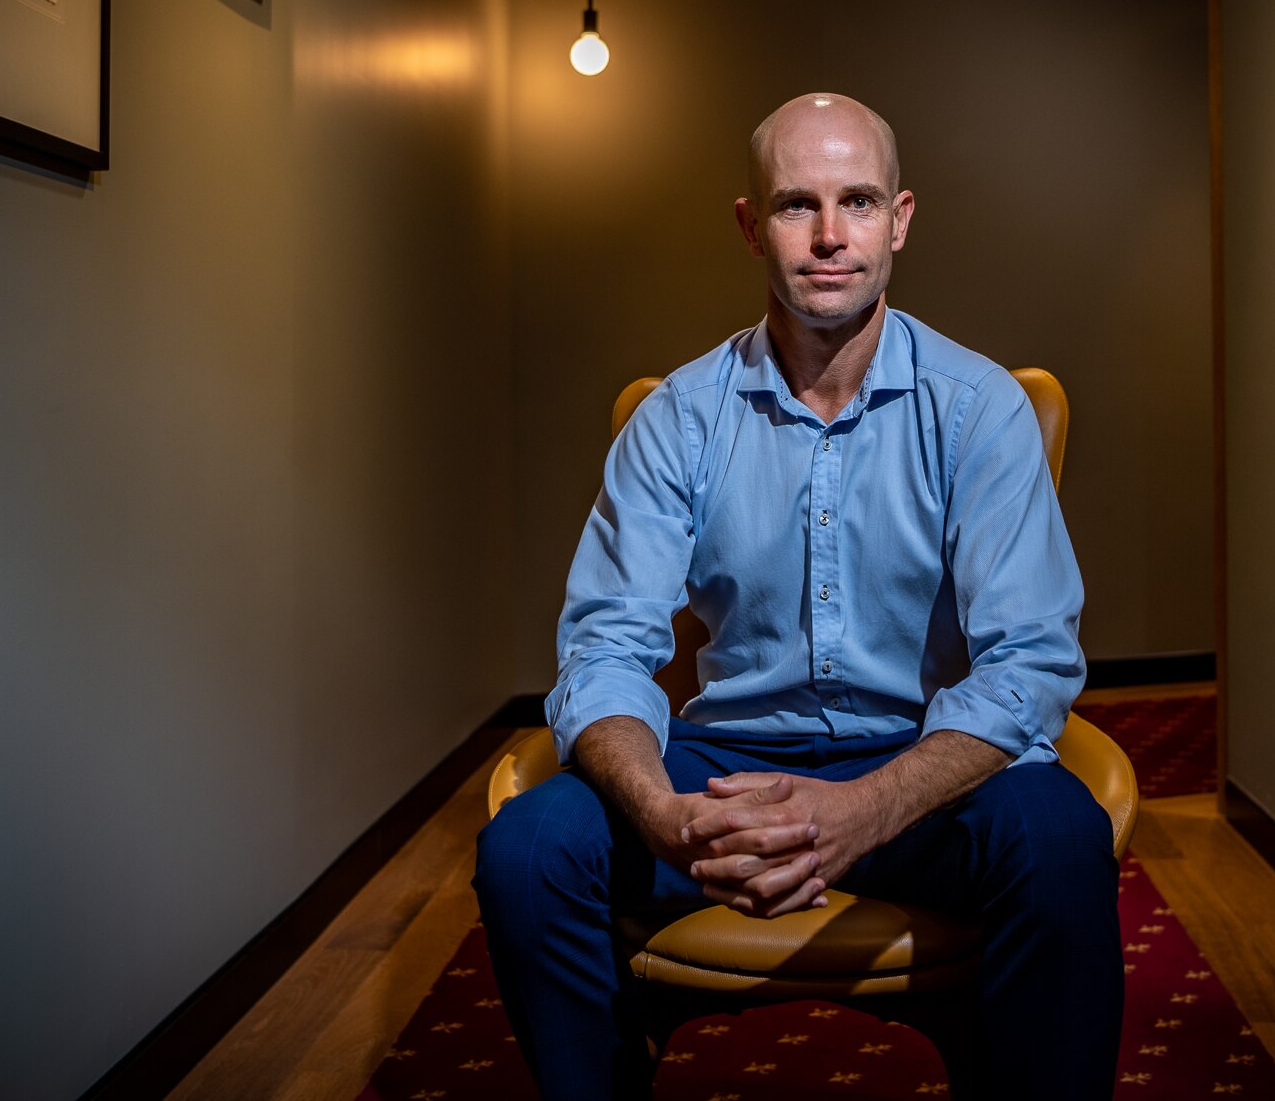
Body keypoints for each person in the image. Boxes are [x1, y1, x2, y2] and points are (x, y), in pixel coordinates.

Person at [474, 93, 1122, 1098]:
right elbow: (606, 649)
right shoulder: (675, 420)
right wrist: (658, 814)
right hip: (723, 765)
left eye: (857, 202)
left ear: (898, 219)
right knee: (527, 851)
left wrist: (862, 809)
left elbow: (1027, 664)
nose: (829, 237)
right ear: (749, 225)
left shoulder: (978, 407)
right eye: (796, 205)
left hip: (922, 763)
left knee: (1060, 835)